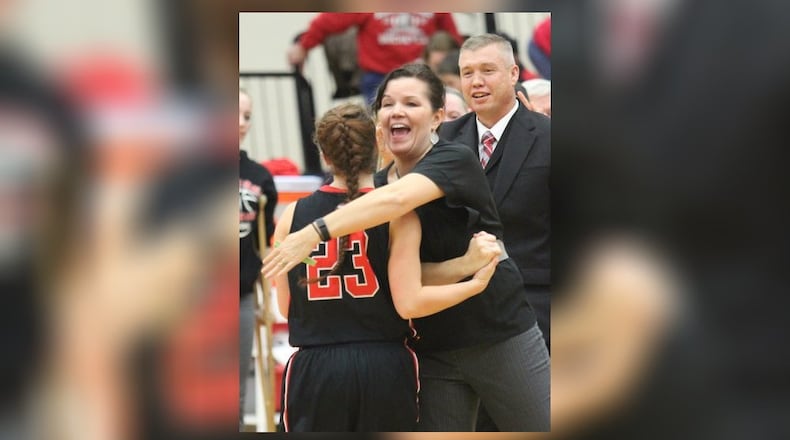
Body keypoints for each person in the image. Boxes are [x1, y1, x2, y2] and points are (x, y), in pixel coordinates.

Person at [263, 63, 550, 432]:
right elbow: (403, 286)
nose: (397, 110)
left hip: (494, 333)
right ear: (378, 125)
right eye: (388, 103)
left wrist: (314, 231)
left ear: (437, 118)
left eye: (411, 103)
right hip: (425, 346)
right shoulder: (379, 191)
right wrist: (466, 267)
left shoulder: (452, 158)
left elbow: (397, 202)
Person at [439, 33, 551, 431]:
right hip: (459, 317)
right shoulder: (442, 143)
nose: (476, 82)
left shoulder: (551, 137)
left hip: (538, 310)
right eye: (467, 73)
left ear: (514, 73)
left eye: (487, 70)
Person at [287, 13, 462, 104]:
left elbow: (451, 36)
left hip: (421, 75)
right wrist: (304, 45)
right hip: (380, 77)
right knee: (384, 131)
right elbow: (329, 21)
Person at [238, 88, 278, 429]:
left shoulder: (259, 176)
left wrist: (267, 295)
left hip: (240, 293)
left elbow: (264, 241)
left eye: (247, 115)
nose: (241, 123)